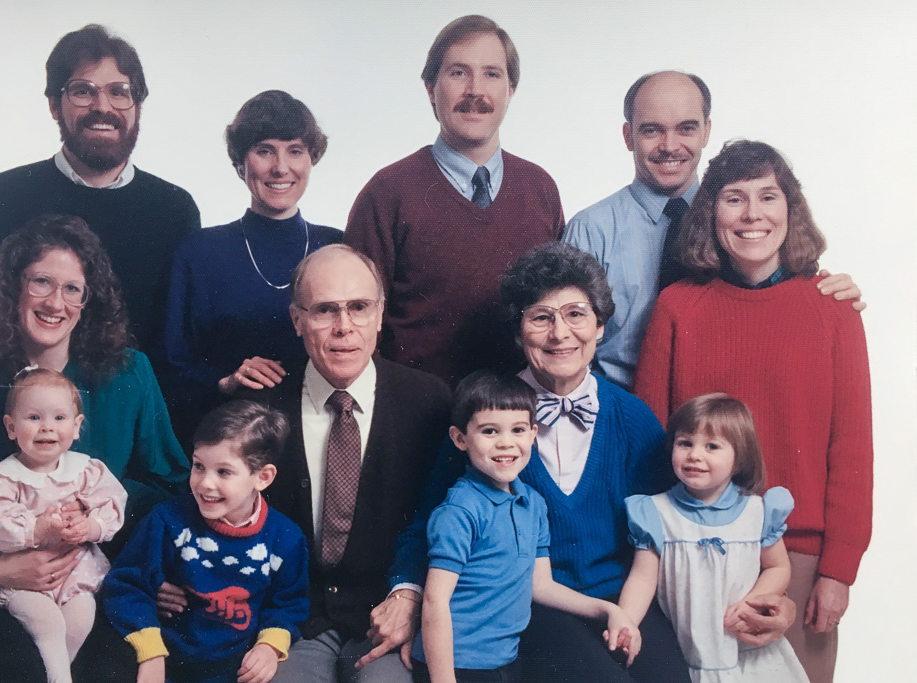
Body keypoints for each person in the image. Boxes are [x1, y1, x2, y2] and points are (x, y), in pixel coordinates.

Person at [388, 242, 796, 682]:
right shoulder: (487, 418)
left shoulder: (631, 416)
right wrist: (406, 594)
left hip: (622, 598)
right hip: (530, 605)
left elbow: (687, 515)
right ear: (518, 332)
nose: (560, 334)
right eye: (541, 317)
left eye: (576, 314)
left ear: (600, 326)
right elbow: (431, 519)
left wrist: (773, 592)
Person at [0, 214, 189, 682]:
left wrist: (92, 514)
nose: (56, 302)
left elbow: (169, 484)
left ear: (87, 300)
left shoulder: (129, 374)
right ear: (12, 288)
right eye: (41, 282)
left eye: (72, 289)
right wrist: (0, 568)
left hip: (100, 579)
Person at [634, 139, 872, 683]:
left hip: (801, 556)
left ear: (791, 209)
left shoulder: (833, 311)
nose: (752, 215)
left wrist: (838, 571)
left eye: (768, 197)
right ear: (710, 213)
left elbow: (853, 447)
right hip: (689, 550)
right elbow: (650, 440)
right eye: (734, 199)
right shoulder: (677, 307)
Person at [157, 244, 452, 683]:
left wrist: (409, 597)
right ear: (297, 320)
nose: (344, 328)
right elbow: (204, 495)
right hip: (282, 617)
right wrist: (170, 569)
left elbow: (442, 517)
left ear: (380, 313)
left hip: (385, 613)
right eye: (324, 311)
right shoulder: (258, 402)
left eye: (358, 307)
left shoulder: (430, 402)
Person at [563, 70, 862, 389]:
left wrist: (832, 292)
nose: (670, 145)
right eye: (652, 130)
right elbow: (565, 342)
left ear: (706, 131)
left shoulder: (741, 224)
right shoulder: (590, 230)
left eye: (686, 128)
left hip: (720, 414)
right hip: (617, 406)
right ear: (628, 136)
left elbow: (781, 298)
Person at [0, 24, 200, 366]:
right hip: (25, 407)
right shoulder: (4, 195)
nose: (103, 106)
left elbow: (181, 339)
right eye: (83, 91)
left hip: (130, 408)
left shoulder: (175, 209)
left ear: (137, 106)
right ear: (55, 104)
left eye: (119, 91)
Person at [343, 15, 564, 386]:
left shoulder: (539, 188)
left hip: (520, 421)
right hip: (417, 423)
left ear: (511, 90)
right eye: (459, 73)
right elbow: (355, 324)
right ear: (430, 88)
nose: (475, 90)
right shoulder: (387, 192)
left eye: (492, 74)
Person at [412, 371, 639, 683]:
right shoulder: (460, 510)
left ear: (534, 433)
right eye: (490, 431)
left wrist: (606, 610)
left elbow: (541, 585)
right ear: (460, 438)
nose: (506, 443)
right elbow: (435, 602)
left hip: (506, 661)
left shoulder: (532, 503)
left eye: (517, 430)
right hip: (457, 666)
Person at [164, 90, 341, 444]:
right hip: (229, 440)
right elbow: (172, 365)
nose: (281, 167)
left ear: (312, 158)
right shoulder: (199, 252)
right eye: (264, 150)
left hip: (325, 435)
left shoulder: (338, 248)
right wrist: (227, 380)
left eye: (295, 150)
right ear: (240, 161)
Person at [104, 400, 309, 683]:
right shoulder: (166, 521)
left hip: (235, 669)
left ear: (262, 477)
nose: (205, 483)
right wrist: (150, 652)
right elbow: (126, 585)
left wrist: (269, 646)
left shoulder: (285, 538)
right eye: (199, 466)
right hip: (164, 661)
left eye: (223, 472)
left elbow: (288, 603)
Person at [618, 393, 807, 682]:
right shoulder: (655, 511)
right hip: (686, 647)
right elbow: (643, 578)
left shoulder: (758, 511)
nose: (695, 455)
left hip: (743, 642)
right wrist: (626, 623)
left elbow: (777, 566)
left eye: (712, 446)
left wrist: (753, 603)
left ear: (739, 457)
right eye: (685, 443)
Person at [0, 368, 128, 683]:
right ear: (11, 427)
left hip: (76, 571)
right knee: (47, 623)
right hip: (22, 576)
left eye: (59, 418)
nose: (47, 428)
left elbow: (112, 501)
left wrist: (90, 527)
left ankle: (56, 675)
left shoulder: (86, 469)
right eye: (34, 417)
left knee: (82, 615)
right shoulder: (3, 477)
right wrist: (36, 529)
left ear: (77, 426)